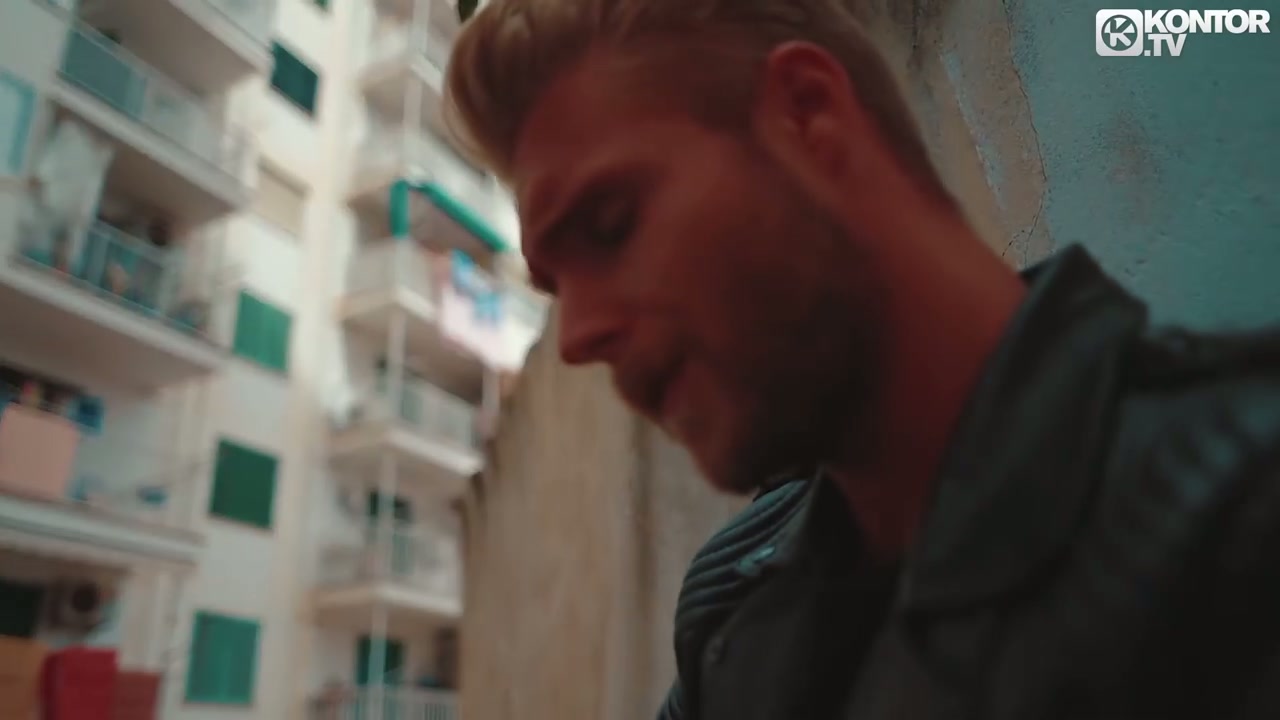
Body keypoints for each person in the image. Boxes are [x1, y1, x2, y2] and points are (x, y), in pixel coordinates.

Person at [443, 1, 1280, 718]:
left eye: (610, 224)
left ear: (806, 113)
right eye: (556, 288)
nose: (579, 336)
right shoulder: (736, 630)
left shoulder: (1235, 503)